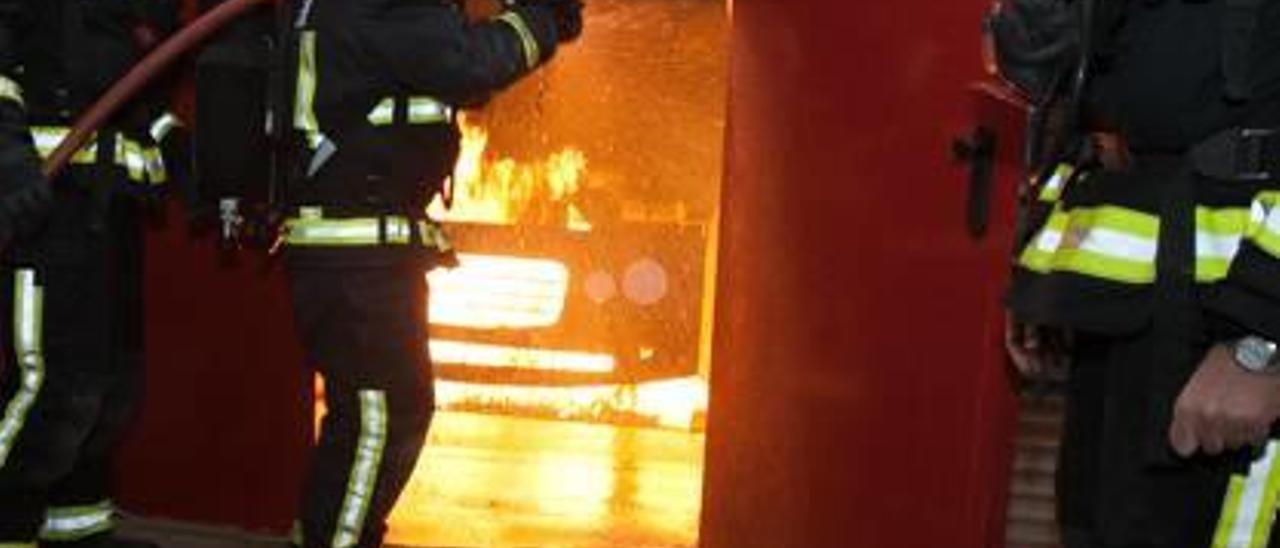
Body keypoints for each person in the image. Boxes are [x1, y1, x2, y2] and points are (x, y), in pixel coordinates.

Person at [279, 0, 581, 545]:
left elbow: (454, 76)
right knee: (381, 420)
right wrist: (539, 18)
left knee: (377, 416)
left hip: (359, 248)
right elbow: (464, 65)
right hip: (359, 256)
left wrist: (534, 24)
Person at [1002, 0, 1280, 546]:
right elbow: (1117, 106)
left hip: (1237, 346)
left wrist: (1262, 342)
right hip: (1132, 330)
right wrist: (1054, 277)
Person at [0, 0, 184, 546]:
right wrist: (9, 167)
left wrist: (179, 146)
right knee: (54, 387)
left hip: (110, 205)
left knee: (110, 389)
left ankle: (76, 528)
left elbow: (132, 85)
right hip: (45, 206)